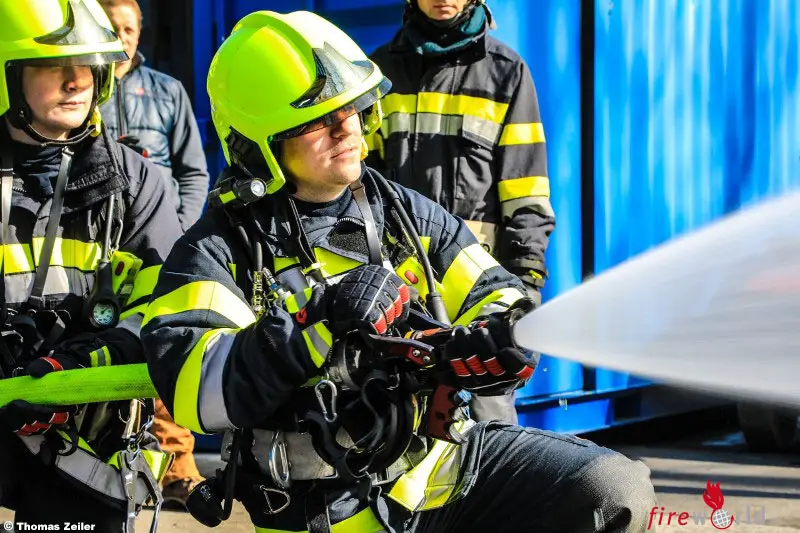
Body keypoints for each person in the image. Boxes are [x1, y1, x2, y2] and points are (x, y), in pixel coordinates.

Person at [141, 9, 656, 533]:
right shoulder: (219, 247)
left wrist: (501, 335)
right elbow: (193, 388)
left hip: (439, 471)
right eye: (318, 119)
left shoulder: (401, 211)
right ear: (260, 142)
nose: (347, 128)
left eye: (352, 107)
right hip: (325, 507)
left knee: (612, 491)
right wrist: (318, 320)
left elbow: (491, 289)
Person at [0, 0, 183, 530]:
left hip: (87, 442)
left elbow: (170, 305)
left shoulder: (135, 181)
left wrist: (92, 360)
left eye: (87, 65)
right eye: (54, 66)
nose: (77, 81)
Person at [366, 0, 555, 425]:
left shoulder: (506, 72)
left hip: (478, 292)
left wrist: (525, 283)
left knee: (490, 429)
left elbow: (526, 194)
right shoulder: (379, 73)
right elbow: (361, 188)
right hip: (398, 293)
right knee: (396, 430)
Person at [97, 0, 209, 507]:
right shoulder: (83, 89)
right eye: (112, 28)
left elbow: (193, 172)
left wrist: (177, 230)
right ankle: (103, 462)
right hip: (99, 247)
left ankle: (178, 468)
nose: (122, 38)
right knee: (109, 348)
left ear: (141, 32)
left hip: (159, 246)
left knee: (164, 344)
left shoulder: (167, 91)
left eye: (130, 28)